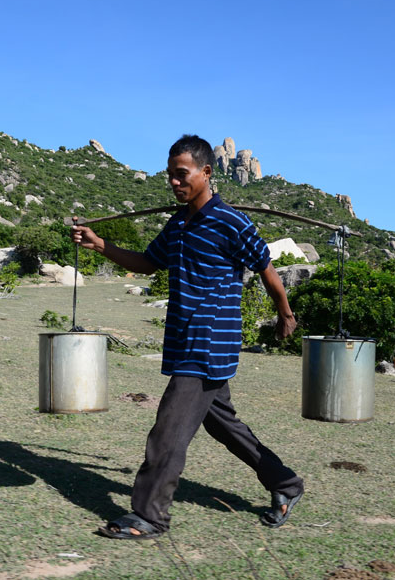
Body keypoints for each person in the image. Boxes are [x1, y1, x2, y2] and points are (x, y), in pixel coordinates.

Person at [71, 134, 304, 540]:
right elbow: (147, 264)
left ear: (206, 172)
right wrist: (100, 245)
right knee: (222, 423)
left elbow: (266, 269)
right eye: (170, 177)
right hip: (182, 337)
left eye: (182, 175)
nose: (174, 184)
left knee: (169, 430)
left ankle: (150, 515)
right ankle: (285, 483)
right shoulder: (178, 224)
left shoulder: (233, 222)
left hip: (210, 341)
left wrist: (285, 313)